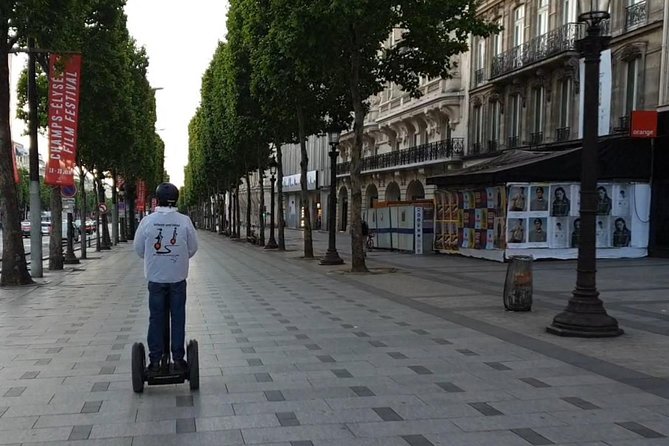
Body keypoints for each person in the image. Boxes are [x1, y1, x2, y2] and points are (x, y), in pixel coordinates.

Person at [133, 183, 198, 374]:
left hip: (156, 278)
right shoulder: (184, 221)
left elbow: (138, 249)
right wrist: (178, 258)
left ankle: (155, 360)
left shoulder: (147, 221)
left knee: (156, 318)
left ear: (157, 199)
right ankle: (178, 359)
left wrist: (154, 259)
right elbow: (193, 248)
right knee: (178, 317)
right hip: (177, 277)